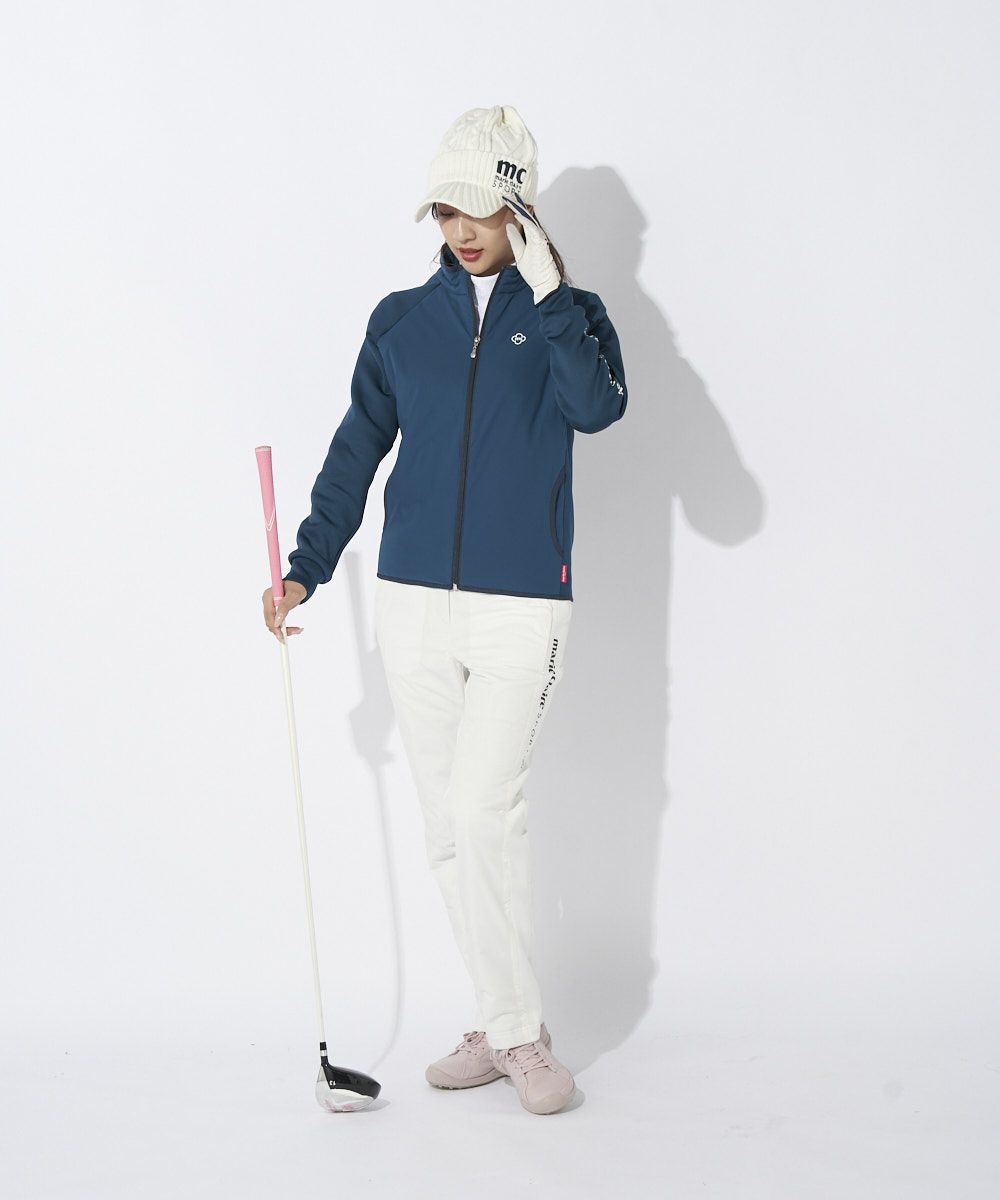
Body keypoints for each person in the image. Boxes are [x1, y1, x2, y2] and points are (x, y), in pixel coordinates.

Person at [261, 105, 627, 1115]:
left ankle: (514, 1034)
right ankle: (509, 1025)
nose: (461, 230)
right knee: (448, 831)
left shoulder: (569, 313)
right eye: (443, 210)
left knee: (482, 808)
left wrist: (550, 295)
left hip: (521, 606)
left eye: (479, 209)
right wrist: (305, 569)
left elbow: (597, 408)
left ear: (519, 208)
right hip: (413, 602)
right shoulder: (400, 321)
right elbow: (356, 452)